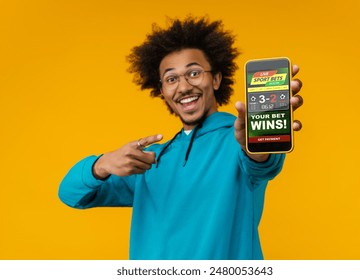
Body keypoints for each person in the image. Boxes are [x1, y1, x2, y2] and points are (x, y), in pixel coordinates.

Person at [58, 16, 303, 260]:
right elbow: (70, 194)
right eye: (171, 79)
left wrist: (256, 144)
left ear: (216, 79)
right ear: (162, 91)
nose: (183, 87)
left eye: (194, 73)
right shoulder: (149, 161)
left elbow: (262, 163)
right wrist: (101, 164)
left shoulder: (237, 141)